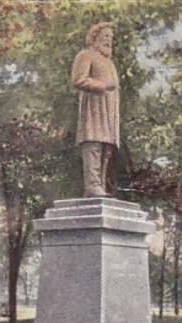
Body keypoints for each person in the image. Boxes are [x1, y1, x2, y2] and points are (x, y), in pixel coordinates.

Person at [71, 22, 119, 197]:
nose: (109, 40)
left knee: (107, 147)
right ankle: (92, 185)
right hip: (93, 108)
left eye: (111, 38)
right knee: (93, 142)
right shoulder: (86, 55)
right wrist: (102, 86)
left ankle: (100, 186)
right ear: (94, 37)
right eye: (106, 36)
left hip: (109, 110)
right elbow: (78, 80)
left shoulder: (109, 62)